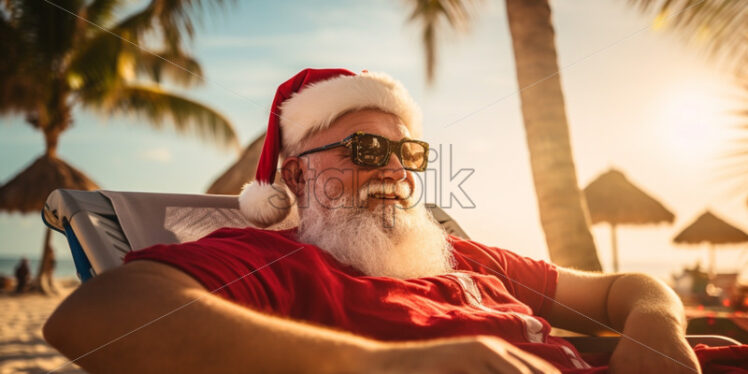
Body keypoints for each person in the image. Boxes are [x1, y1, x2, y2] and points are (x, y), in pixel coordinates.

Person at [43, 68, 741, 373]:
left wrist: (655, 331)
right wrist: (384, 366)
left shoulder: (463, 258)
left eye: (407, 152)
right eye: (364, 149)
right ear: (296, 174)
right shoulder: (279, 262)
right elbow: (94, 319)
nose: (393, 169)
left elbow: (626, 290)